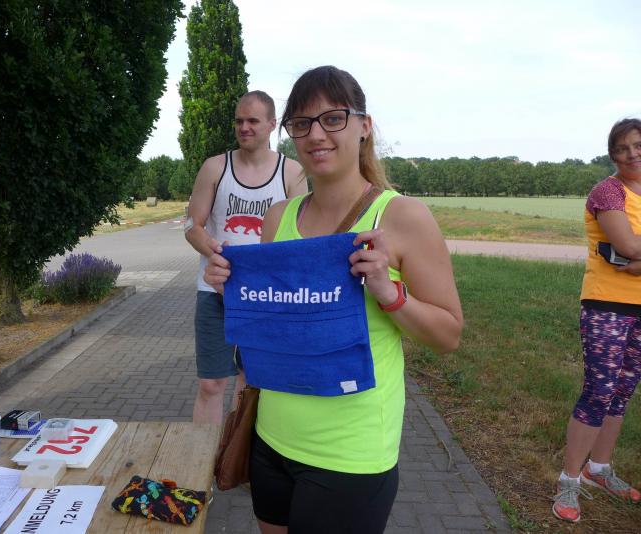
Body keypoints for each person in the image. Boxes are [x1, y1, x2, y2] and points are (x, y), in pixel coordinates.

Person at [205, 66, 463, 533]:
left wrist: (389, 293)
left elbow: (448, 335)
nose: (316, 134)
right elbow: (275, 324)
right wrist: (234, 289)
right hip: (270, 439)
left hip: (350, 453)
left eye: (333, 118)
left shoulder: (401, 216)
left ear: (364, 126)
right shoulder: (278, 218)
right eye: (302, 123)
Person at [186, 90, 307, 424]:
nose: (244, 127)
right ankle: (204, 456)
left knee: (250, 382)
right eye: (239, 121)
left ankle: (237, 453)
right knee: (211, 384)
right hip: (215, 291)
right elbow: (192, 226)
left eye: (253, 121)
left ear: (271, 124)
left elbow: (299, 237)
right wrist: (217, 252)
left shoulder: (292, 172)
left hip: (265, 296)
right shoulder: (215, 167)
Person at [552, 118, 641, 523]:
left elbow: (634, 257)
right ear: (613, 155)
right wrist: (632, 258)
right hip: (607, 305)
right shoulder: (608, 192)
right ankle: (569, 479)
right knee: (599, 391)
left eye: (638, 145)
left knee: (622, 391)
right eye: (622, 148)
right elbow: (626, 246)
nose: (632, 153)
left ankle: (598, 469)